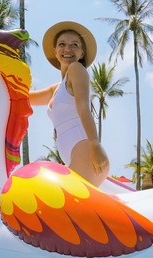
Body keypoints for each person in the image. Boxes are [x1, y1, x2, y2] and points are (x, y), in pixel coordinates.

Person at [29, 21, 109, 187]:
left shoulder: (76, 69)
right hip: (75, 154)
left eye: (74, 45)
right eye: (62, 44)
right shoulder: (56, 89)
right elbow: (26, 98)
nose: (67, 49)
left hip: (86, 151)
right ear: (55, 51)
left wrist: (95, 144)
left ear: (81, 53)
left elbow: (83, 108)